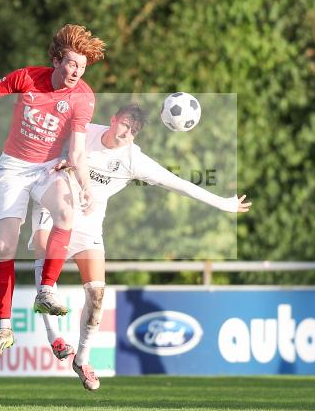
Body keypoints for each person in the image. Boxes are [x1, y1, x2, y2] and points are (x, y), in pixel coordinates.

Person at [28, 103, 251, 390]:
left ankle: (82, 359)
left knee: (96, 294)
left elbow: (179, 184)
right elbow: (41, 144)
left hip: (89, 224)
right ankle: (54, 337)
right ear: (112, 120)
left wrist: (224, 204)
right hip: (55, 206)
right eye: (124, 124)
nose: (126, 132)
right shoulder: (85, 133)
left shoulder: (134, 160)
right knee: (45, 257)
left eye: (133, 130)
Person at [0, 24, 105, 359]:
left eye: (82, 67)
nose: (76, 72)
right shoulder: (27, 78)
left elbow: (78, 152)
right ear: (56, 60)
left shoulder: (83, 98)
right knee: (3, 246)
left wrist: (84, 184)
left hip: (47, 168)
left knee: (67, 213)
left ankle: (45, 290)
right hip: (13, 167)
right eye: (71, 63)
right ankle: (4, 328)